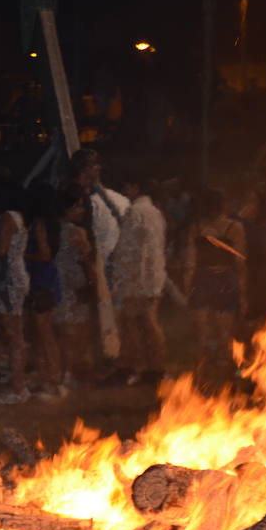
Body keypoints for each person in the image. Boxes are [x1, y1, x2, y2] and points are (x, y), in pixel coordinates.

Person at [109, 168, 168, 384]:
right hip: (151, 278)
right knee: (149, 324)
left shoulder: (136, 212)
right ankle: (154, 368)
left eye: (126, 187)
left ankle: (132, 367)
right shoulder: (155, 212)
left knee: (132, 324)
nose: (124, 191)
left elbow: (133, 251)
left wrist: (126, 281)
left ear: (134, 188)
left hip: (138, 280)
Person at [69, 149, 128, 360]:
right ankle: (114, 360)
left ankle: (100, 360)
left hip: (95, 266)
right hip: (115, 264)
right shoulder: (121, 201)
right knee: (113, 317)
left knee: (90, 318)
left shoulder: (85, 205)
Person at [184, 188, 248, 372]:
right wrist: (242, 291)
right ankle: (223, 364)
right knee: (224, 329)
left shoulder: (196, 228)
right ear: (223, 205)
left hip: (202, 278)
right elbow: (240, 261)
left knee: (202, 329)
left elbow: (190, 261)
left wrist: (189, 285)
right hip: (225, 279)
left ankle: (203, 365)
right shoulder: (234, 228)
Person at [0, 184, 29, 405]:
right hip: (15, 277)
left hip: (8, 280)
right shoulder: (18, 216)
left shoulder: (7, 218)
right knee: (14, 334)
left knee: (13, 335)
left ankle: (19, 388)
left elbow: (1, 250)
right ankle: (18, 384)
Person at [52, 184, 97, 384]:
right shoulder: (76, 232)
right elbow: (87, 260)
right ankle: (72, 372)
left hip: (60, 286)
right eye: (77, 207)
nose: (82, 211)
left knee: (64, 332)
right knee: (76, 334)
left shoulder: (53, 228)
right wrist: (93, 281)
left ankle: (66, 372)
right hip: (74, 288)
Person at [23, 186, 64, 400]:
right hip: (46, 281)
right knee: (44, 334)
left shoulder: (39, 224)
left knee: (45, 334)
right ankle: (49, 377)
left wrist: (24, 255)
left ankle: (53, 380)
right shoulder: (52, 222)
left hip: (42, 282)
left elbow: (45, 254)